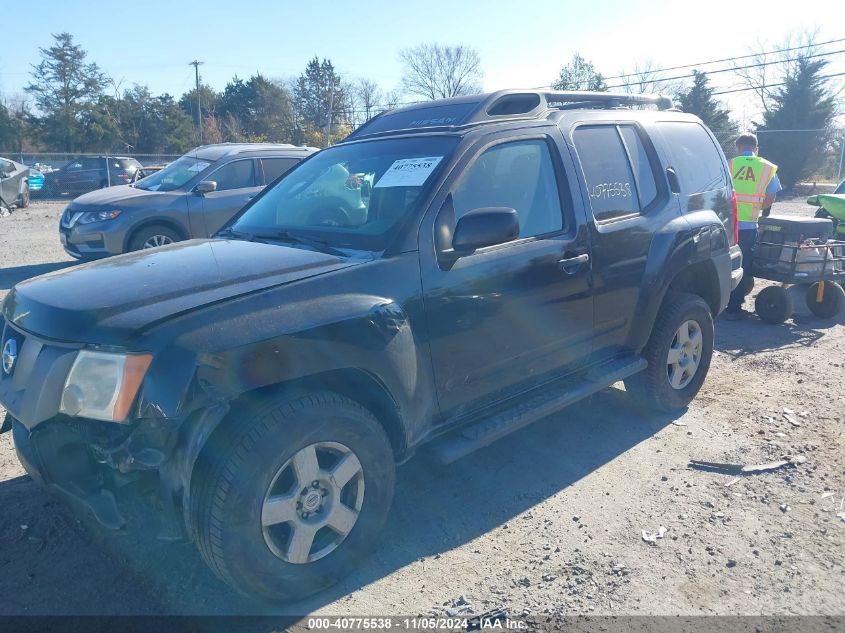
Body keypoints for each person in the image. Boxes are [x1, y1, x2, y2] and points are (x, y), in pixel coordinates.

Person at [725, 132, 782, 320]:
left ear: (738, 147)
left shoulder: (729, 164)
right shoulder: (767, 168)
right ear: (756, 148)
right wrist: (756, 208)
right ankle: (734, 309)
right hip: (748, 227)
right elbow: (771, 197)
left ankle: (718, 302)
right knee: (742, 265)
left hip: (726, 226)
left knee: (724, 263)